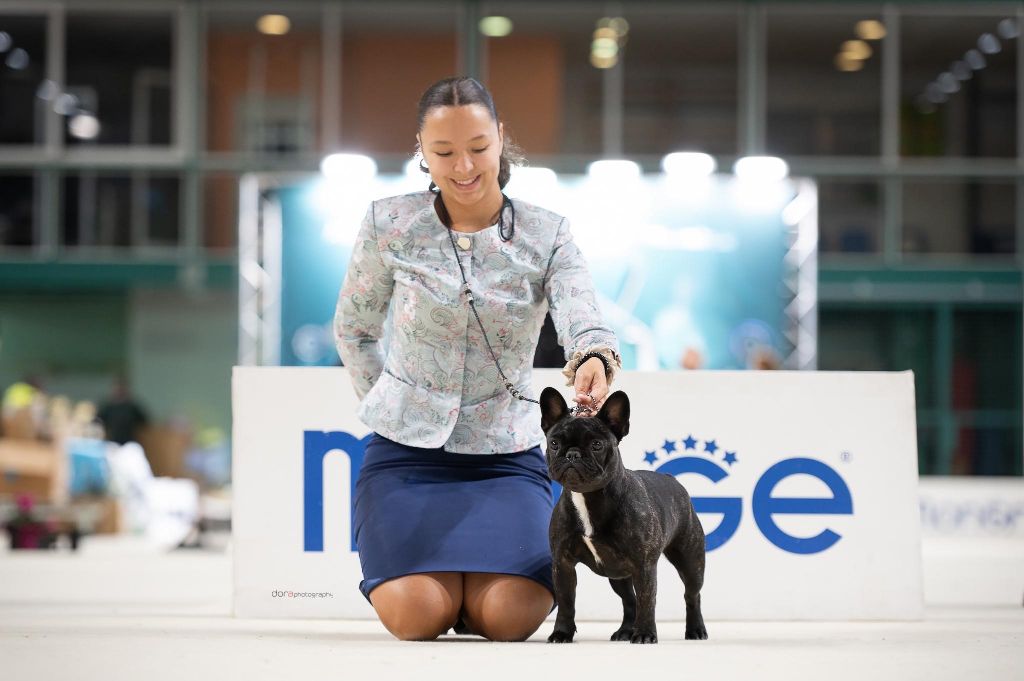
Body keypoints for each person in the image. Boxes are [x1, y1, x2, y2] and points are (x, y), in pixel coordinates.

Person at [334, 76, 621, 642]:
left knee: (511, 619)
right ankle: (445, 594)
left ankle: (467, 596)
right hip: (404, 459)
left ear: (500, 140)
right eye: (443, 152)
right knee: (415, 617)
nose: (463, 165)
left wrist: (592, 356)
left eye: (477, 147)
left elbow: (582, 311)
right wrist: (390, 404)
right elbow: (354, 329)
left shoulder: (548, 233)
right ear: (421, 150)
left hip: (507, 456)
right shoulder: (388, 224)